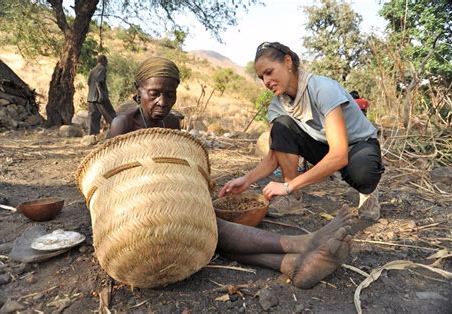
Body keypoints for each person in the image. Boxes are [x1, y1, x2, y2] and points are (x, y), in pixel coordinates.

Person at [109, 56, 353, 289]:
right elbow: (112, 184)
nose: (162, 101)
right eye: (154, 94)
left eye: (170, 94)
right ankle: (301, 243)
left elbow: (175, 168)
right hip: (134, 219)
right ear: (138, 89)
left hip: (168, 206)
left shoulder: (171, 123)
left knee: (205, 235)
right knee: (208, 225)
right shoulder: (123, 124)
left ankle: (292, 265)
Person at [219, 42, 384, 221]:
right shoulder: (277, 105)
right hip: (323, 146)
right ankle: (293, 198)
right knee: (282, 126)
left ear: (288, 62)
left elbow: (339, 155)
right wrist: (247, 179)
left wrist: (287, 185)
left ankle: (369, 192)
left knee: (362, 173)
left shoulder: (323, 89)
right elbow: (274, 156)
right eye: (261, 77)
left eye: (269, 72)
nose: (266, 82)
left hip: (357, 147)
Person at [87, 55, 116, 135]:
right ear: (103, 61)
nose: (107, 63)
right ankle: (117, 131)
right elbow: (98, 82)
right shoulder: (102, 68)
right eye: (106, 61)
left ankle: (92, 135)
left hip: (90, 98)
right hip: (100, 97)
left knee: (93, 118)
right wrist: (100, 95)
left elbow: (88, 83)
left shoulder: (92, 70)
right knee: (111, 115)